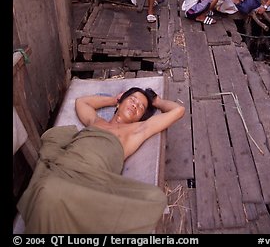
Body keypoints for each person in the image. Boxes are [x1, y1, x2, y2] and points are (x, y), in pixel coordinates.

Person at [17, 87, 185, 234]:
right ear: (120, 102)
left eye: (141, 107)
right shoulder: (95, 121)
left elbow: (178, 111)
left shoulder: (136, 130)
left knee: (155, 198)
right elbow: (82, 102)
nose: (136, 105)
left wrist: (156, 101)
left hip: (93, 179)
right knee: (47, 191)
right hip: (64, 167)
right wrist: (113, 99)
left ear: (141, 117)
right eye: (132, 99)